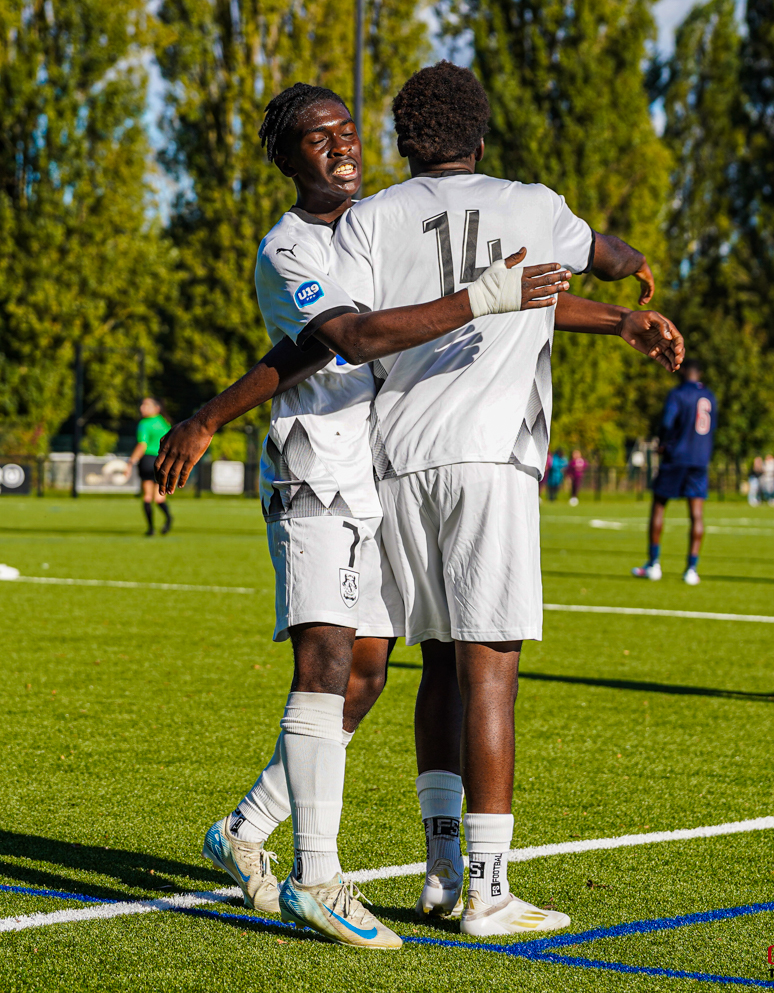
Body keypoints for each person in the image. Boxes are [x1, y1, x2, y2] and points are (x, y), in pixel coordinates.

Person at [152, 82, 581, 950]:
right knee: (327, 662)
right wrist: (483, 298)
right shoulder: (290, 248)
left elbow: (301, 351)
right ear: (286, 159)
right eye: (317, 138)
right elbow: (342, 340)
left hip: (377, 473)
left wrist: (609, 315)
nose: (341, 146)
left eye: (347, 131)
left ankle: (245, 831)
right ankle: (319, 877)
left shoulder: (368, 229)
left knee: (367, 674)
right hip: (319, 472)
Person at [330, 61, 682, 936]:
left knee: (439, 664)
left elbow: (412, 319)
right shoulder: (534, 203)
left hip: (396, 459)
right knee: (492, 670)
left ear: (405, 141)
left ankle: (443, 871)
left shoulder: (369, 218)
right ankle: (489, 891)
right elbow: (597, 257)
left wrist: (614, 321)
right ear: (482, 136)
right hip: (490, 461)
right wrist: (632, 274)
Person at [633, 359, 717, 585]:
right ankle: (691, 569)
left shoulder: (678, 394)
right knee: (697, 514)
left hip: (677, 457)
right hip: (700, 460)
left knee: (658, 507)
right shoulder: (710, 396)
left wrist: (663, 443)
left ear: (686, 372)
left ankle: (654, 564)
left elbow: (668, 422)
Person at [127, 397, 173, 536]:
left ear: (156, 408)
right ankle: (168, 518)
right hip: (163, 460)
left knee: (147, 496)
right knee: (159, 497)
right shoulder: (165, 424)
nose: (142, 408)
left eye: (146, 405)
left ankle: (151, 529)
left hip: (147, 460)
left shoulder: (145, 423)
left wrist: (130, 462)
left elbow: (142, 444)